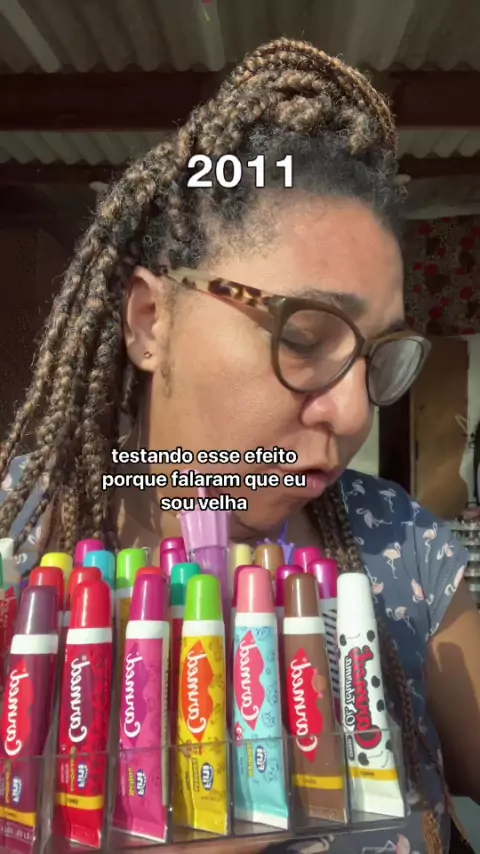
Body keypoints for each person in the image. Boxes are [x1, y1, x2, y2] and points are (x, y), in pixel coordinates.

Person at [0, 37, 479, 854]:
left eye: (377, 357)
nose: (352, 412)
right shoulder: (17, 542)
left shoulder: (398, 548)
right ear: (151, 320)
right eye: (305, 336)